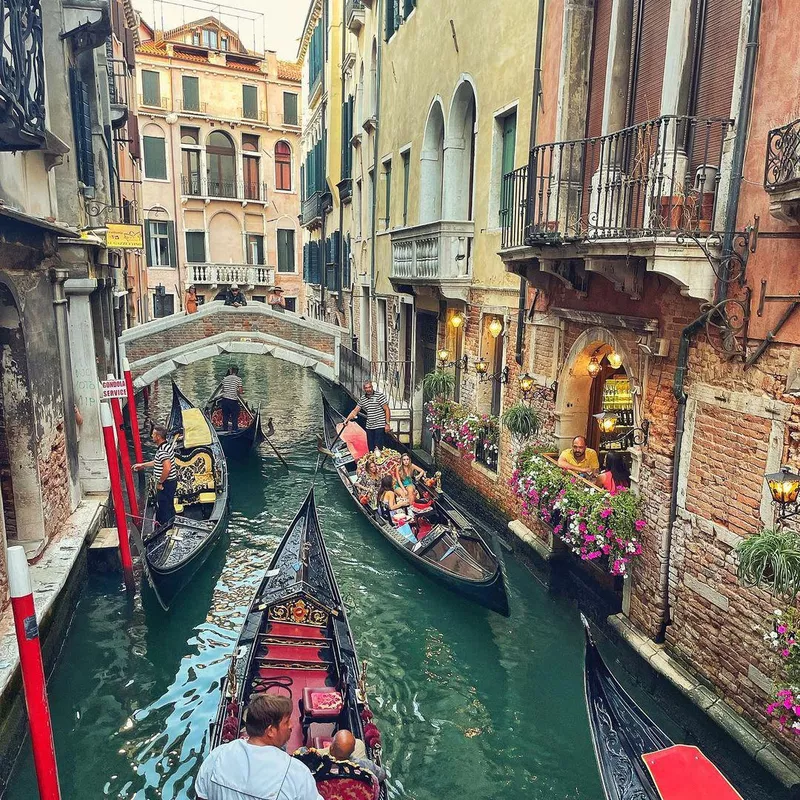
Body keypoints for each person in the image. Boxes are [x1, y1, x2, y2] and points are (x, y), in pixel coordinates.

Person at [195, 694, 323, 800]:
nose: (291, 725)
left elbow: (201, 796)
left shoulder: (216, 757)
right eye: (286, 721)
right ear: (271, 731)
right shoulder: (296, 773)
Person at [133, 425, 178, 528]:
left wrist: (160, 482)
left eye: (153, 434)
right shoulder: (166, 446)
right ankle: (171, 524)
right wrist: (143, 465)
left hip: (166, 484)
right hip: (170, 482)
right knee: (169, 506)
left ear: (158, 437)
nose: (152, 436)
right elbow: (158, 462)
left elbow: (167, 468)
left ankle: (166, 530)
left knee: (164, 508)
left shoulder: (162, 450)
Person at [344, 381, 390, 454]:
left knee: (378, 447)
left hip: (379, 425)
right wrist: (346, 420)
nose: (368, 389)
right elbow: (355, 410)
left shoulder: (379, 396)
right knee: (371, 448)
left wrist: (387, 424)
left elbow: (387, 409)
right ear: (364, 389)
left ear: (372, 387)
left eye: (369, 387)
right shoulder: (363, 399)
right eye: (366, 388)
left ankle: (378, 462)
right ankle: (372, 462)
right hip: (369, 426)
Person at [219, 366, 244, 432]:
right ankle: (234, 430)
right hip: (233, 401)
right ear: (236, 372)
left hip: (224, 400)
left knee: (225, 416)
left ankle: (225, 430)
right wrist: (237, 391)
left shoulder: (224, 379)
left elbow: (223, 389)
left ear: (230, 371)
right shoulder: (239, 379)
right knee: (235, 416)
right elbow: (241, 391)